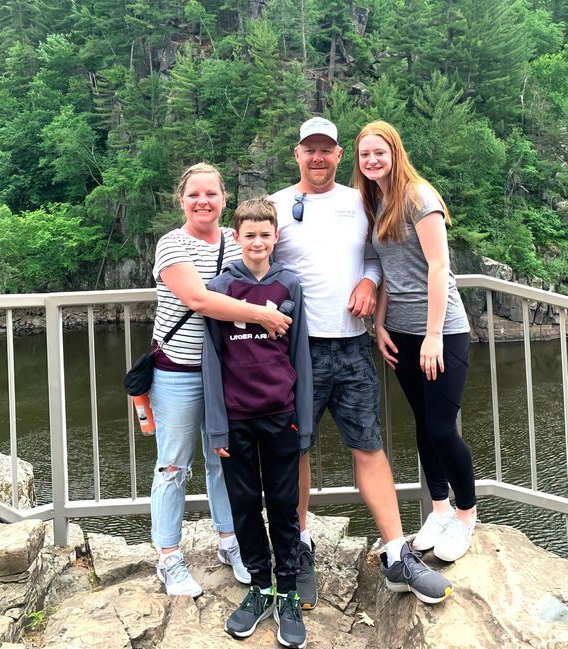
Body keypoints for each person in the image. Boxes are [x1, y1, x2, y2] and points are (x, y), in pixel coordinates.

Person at [269, 117, 453, 607]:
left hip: (352, 347)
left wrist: (370, 283)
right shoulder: (278, 206)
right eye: (309, 150)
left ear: (336, 155)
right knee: (297, 450)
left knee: (368, 446)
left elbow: (379, 258)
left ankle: (396, 554)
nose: (318, 158)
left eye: (327, 150)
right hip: (298, 349)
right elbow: (253, 262)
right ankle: (297, 544)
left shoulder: (362, 202)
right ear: (297, 154)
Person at [150, 163, 292, 598]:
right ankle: (169, 557)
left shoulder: (236, 242)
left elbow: (268, 273)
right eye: (194, 194)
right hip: (177, 369)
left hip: (227, 372)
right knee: (174, 465)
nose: (203, 201)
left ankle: (230, 542)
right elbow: (197, 299)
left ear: (224, 199)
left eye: (211, 193)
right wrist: (263, 316)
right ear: (182, 200)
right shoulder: (171, 244)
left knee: (222, 459)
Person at [354, 120, 477, 562]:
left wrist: (432, 335)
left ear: (395, 152)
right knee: (424, 426)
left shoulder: (418, 197)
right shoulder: (377, 199)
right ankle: (440, 510)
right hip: (401, 332)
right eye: (365, 154)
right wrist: (380, 325)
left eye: (379, 152)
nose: (372, 160)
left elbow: (439, 267)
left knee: (443, 427)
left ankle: (466, 516)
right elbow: (387, 271)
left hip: (440, 332)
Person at [202, 198, 312, 649]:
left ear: (275, 237)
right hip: (236, 417)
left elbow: (299, 352)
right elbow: (212, 359)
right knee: (245, 506)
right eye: (249, 235)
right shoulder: (219, 287)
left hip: (280, 413)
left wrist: (302, 422)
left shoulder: (290, 284)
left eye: (265, 234)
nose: (258, 242)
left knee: (284, 505)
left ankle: (287, 590)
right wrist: (217, 427)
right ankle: (260, 587)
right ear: (236, 237)